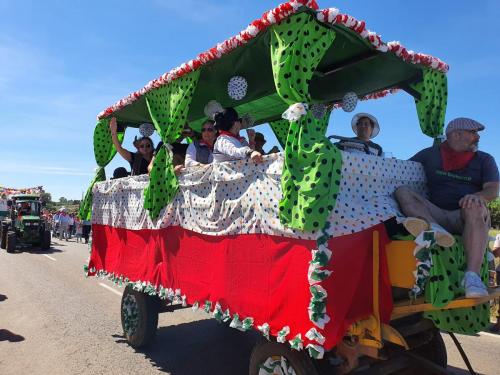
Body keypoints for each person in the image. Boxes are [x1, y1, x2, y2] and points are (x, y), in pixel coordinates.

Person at [395, 118, 499, 298]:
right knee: (402, 191)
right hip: (436, 213)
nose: (478, 137)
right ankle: (435, 229)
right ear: (456, 134)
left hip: (464, 216)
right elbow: (399, 171)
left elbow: (493, 190)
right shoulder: (430, 154)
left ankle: (472, 276)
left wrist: (477, 196)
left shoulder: (484, 159)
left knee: (475, 206)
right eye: (473, 133)